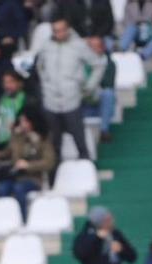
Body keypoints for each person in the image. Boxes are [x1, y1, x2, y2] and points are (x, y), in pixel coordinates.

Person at [36, 15, 98, 161]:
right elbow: (40, 65)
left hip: (71, 99)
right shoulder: (46, 46)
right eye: (56, 31)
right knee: (54, 141)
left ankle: (86, 167)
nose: (59, 34)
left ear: (68, 30)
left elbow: (98, 63)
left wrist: (89, 86)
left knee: (79, 137)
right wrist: (45, 82)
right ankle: (55, 174)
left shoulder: (79, 46)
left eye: (62, 30)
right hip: (51, 100)